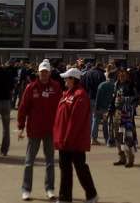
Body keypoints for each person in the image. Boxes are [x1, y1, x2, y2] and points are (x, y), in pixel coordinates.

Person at [18, 59, 61, 202]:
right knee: (29, 162)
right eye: (42, 72)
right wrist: (20, 127)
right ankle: (26, 189)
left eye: (46, 72)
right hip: (34, 130)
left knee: (50, 162)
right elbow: (23, 108)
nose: (44, 74)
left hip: (50, 130)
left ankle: (49, 189)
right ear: (38, 72)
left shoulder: (55, 87)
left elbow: (60, 109)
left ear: (49, 73)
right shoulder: (31, 87)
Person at [53, 67, 98, 203]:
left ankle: (92, 195)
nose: (65, 80)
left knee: (80, 169)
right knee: (65, 170)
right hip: (64, 140)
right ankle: (65, 198)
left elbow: (75, 121)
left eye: (67, 77)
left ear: (73, 79)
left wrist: (67, 139)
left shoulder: (80, 95)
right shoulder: (67, 93)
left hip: (74, 141)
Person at [109, 68, 139, 167]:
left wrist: (127, 102)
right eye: (120, 75)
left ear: (127, 76)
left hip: (127, 115)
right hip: (117, 113)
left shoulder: (131, 85)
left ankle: (130, 158)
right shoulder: (116, 85)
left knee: (128, 136)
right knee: (117, 136)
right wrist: (110, 110)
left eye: (124, 75)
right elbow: (113, 99)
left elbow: (137, 98)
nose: (121, 76)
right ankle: (121, 157)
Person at [82, 62, 106, 144]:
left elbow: (83, 85)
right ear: (100, 66)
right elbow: (102, 88)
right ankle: (93, 138)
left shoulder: (87, 73)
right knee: (96, 118)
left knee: (89, 117)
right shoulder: (101, 74)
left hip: (88, 97)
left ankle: (87, 135)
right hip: (96, 98)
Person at [95, 66, 117, 147]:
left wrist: (97, 107)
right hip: (112, 108)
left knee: (105, 125)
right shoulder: (115, 85)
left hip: (102, 108)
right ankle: (112, 140)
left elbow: (98, 97)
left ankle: (107, 139)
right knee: (112, 125)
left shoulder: (102, 85)